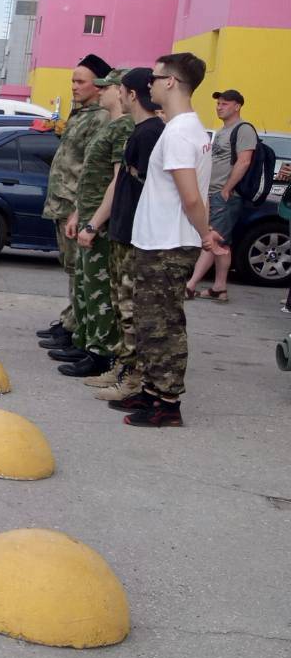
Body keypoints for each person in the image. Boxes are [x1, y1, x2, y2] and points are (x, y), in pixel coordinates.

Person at [119, 52, 227, 428]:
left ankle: (167, 403)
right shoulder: (186, 128)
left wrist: (205, 235)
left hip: (167, 243)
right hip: (160, 239)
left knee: (162, 324)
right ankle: (152, 391)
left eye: (154, 76)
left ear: (171, 82)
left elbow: (191, 197)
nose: (149, 83)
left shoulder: (180, 133)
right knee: (150, 322)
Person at [77, 67, 158, 403]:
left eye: (120, 89)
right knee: (120, 306)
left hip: (135, 233)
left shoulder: (149, 133)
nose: (116, 94)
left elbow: (136, 185)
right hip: (122, 229)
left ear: (131, 94)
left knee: (130, 311)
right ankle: (122, 368)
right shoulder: (138, 130)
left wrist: (94, 224)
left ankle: (133, 379)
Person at [57, 70, 135, 378]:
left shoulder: (124, 127)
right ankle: (85, 341)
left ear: (120, 91)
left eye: (107, 87)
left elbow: (116, 180)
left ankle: (101, 352)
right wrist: (79, 213)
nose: (100, 92)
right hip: (89, 215)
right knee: (85, 286)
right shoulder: (112, 125)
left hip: (101, 222)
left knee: (100, 290)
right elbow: (90, 176)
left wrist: (94, 222)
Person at [39, 53, 112, 354]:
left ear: (99, 85)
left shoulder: (101, 117)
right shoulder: (81, 113)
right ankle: (71, 321)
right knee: (71, 268)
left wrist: (79, 208)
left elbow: (93, 168)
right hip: (63, 201)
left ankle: (77, 328)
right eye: (73, 80)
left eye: (80, 81)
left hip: (76, 204)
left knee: (80, 272)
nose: (74, 86)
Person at [187, 89, 257, 302]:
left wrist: (226, 189)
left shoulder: (243, 129)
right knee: (222, 243)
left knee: (212, 239)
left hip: (225, 195)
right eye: (218, 103)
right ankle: (220, 288)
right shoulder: (223, 130)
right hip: (215, 193)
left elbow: (244, 161)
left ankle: (190, 285)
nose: (219, 107)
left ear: (237, 106)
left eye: (225, 103)